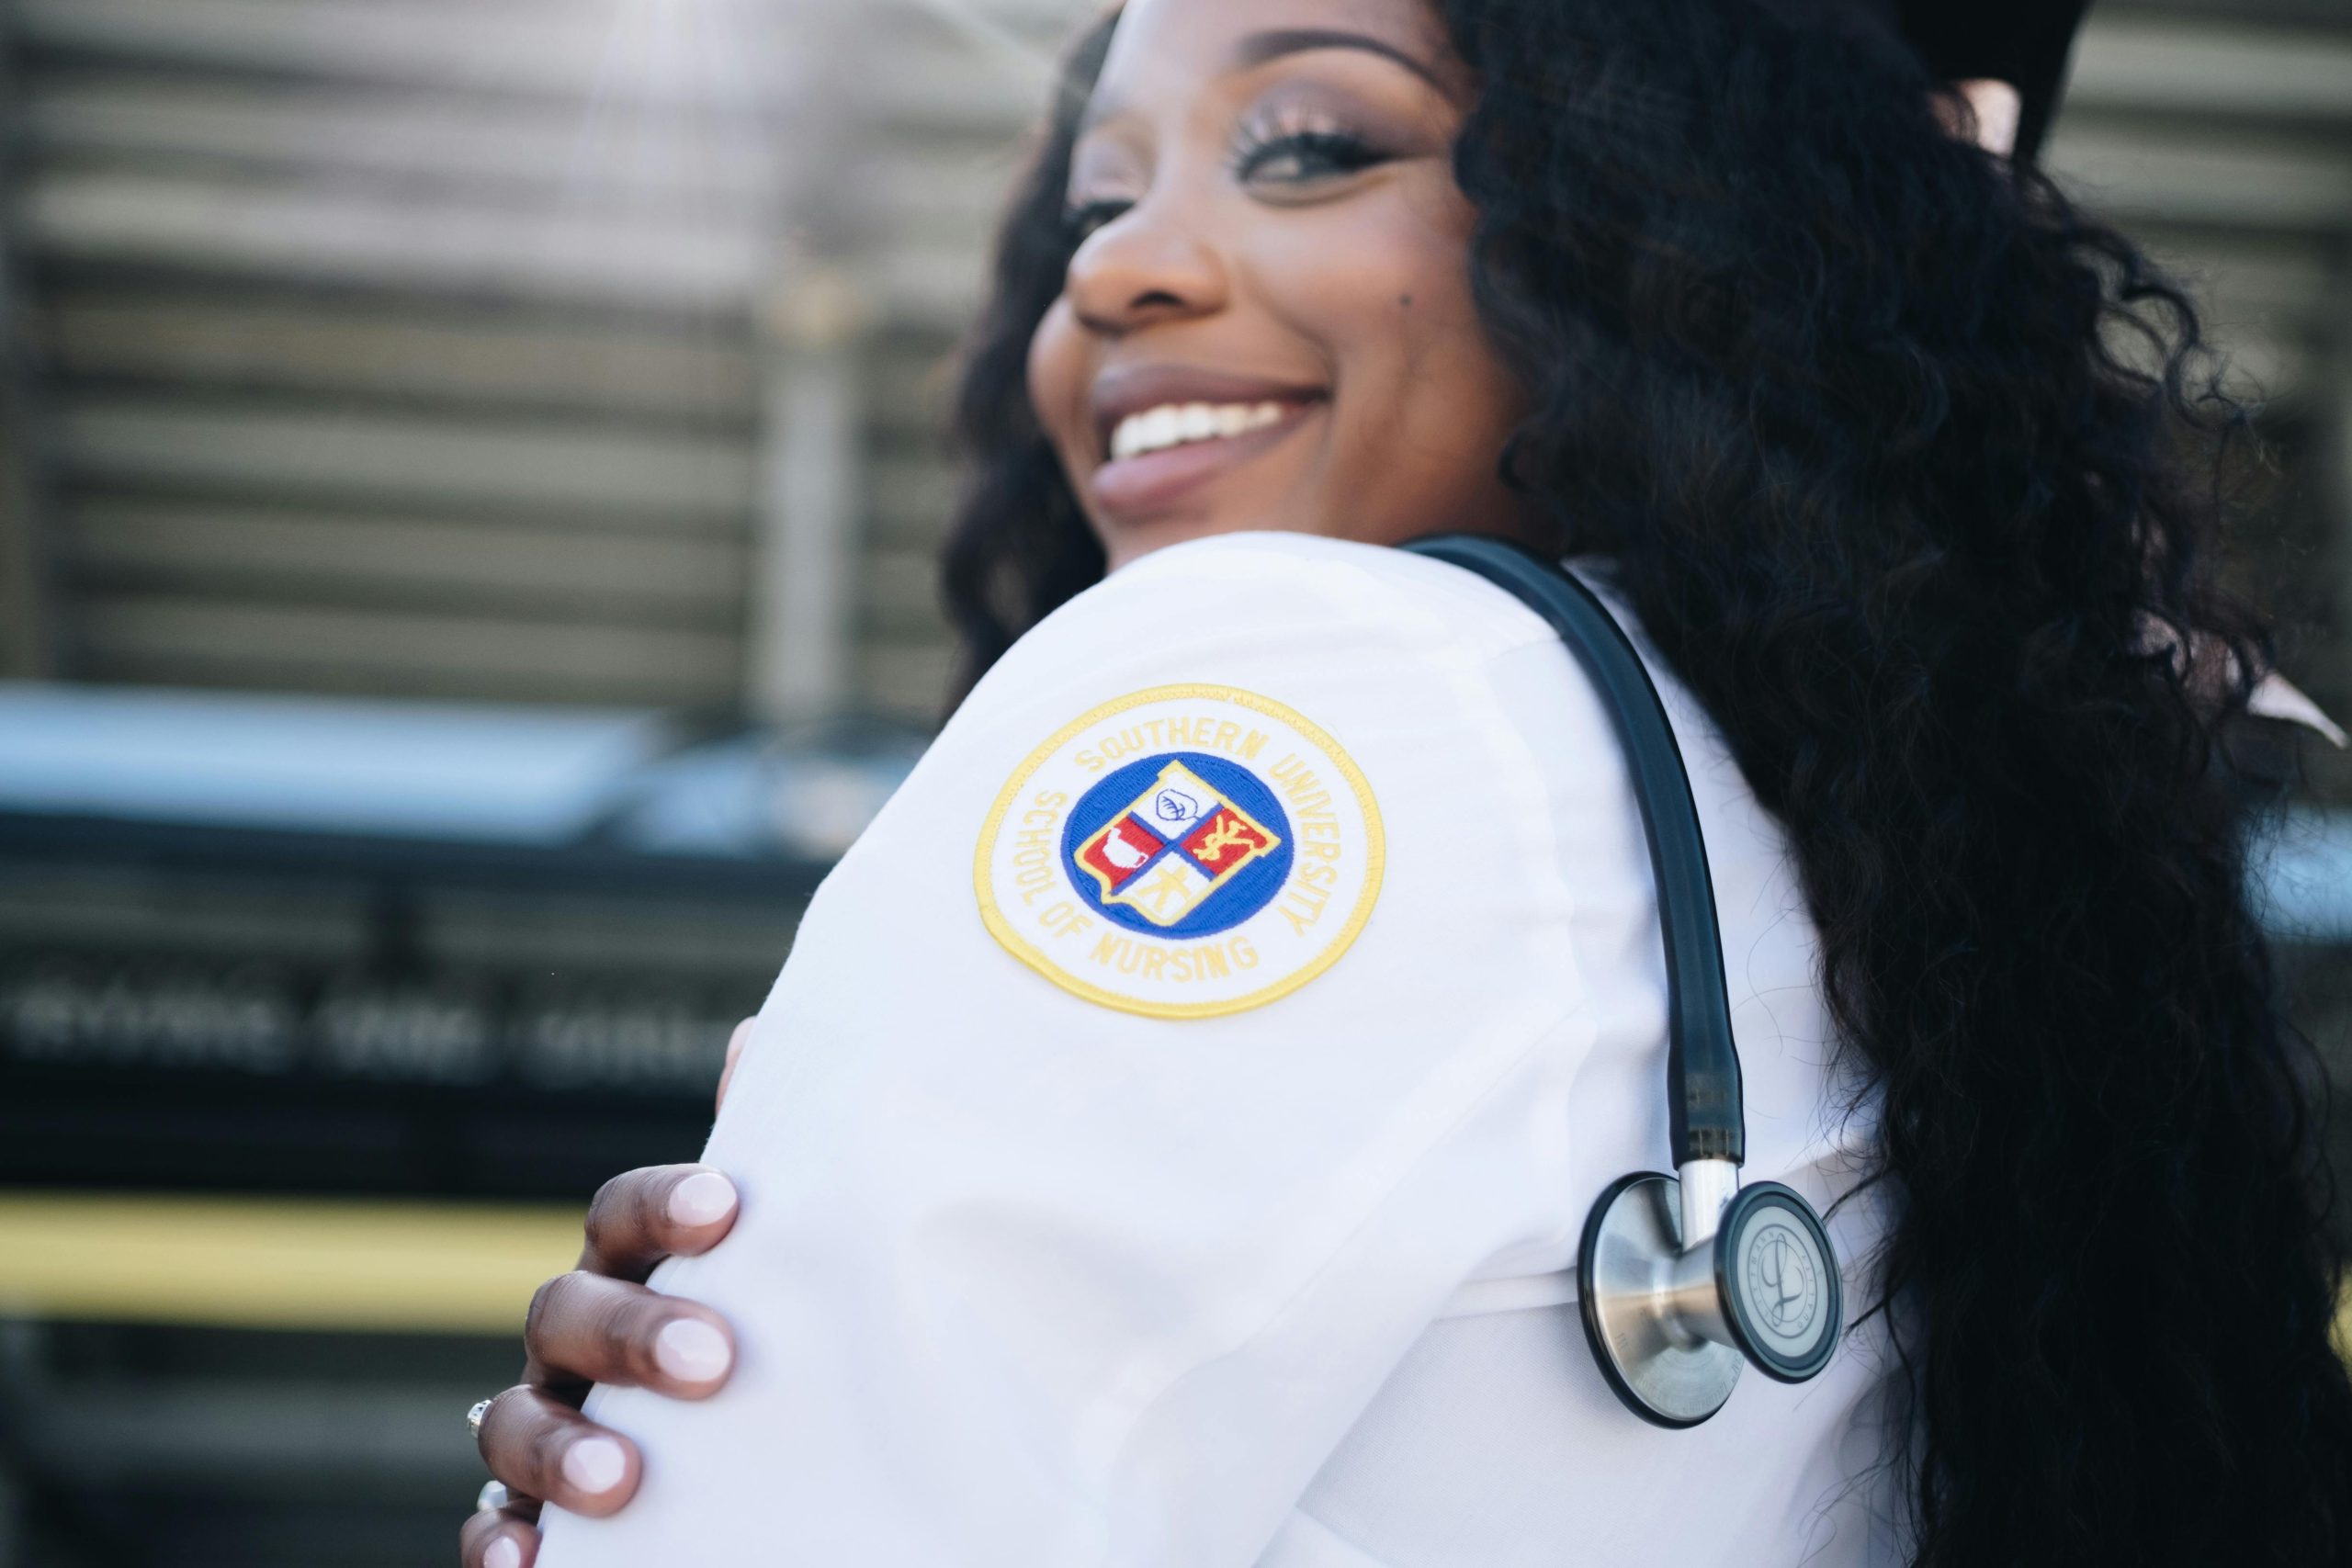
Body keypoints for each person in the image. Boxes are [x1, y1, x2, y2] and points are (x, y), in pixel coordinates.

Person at [458, 1, 2352, 1564]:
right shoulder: (1918, 903)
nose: (1113, 265)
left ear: (1680, 217)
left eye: (1311, 145)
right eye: (1089, 201)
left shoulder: (1315, 683)